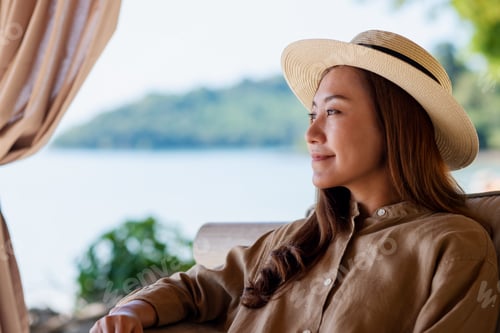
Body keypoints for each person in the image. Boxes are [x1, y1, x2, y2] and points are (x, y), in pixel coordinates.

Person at [91, 30, 499, 332]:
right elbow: (196, 288)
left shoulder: (451, 246)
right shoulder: (292, 242)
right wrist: (131, 311)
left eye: (334, 112)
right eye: (312, 114)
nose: (311, 134)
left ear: (395, 127)